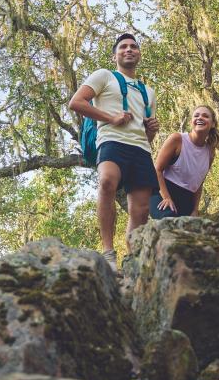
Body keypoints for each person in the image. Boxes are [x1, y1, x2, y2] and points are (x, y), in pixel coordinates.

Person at [68, 33, 159, 269]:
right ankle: (108, 253)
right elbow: (76, 102)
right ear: (115, 55)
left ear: (139, 54)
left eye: (133, 47)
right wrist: (111, 117)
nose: (129, 50)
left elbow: (147, 135)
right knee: (107, 182)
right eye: (123, 47)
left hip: (140, 149)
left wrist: (152, 129)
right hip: (111, 140)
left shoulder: (148, 91)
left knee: (140, 210)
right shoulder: (104, 76)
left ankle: (133, 260)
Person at [151, 105, 219, 219]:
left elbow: (198, 183)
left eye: (205, 116)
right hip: (162, 191)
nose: (200, 118)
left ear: (213, 124)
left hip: (186, 199)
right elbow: (157, 170)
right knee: (169, 223)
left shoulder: (210, 152)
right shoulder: (177, 139)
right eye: (196, 115)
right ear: (191, 122)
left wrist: (195, 210)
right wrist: (166, 198)